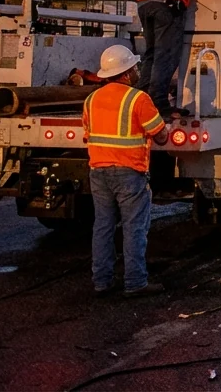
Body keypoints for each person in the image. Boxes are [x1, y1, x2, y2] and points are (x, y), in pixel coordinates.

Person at [83, 45, 166, 297]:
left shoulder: (91, 99)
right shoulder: (138, 99)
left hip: (98, 172)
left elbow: (88, 134)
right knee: (134, 228)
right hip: (129, 172)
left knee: (103, 227)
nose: (138, 71)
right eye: (135, 67)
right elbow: (160, 135)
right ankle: (135, 282)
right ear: (127, 73)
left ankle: (101, 282)